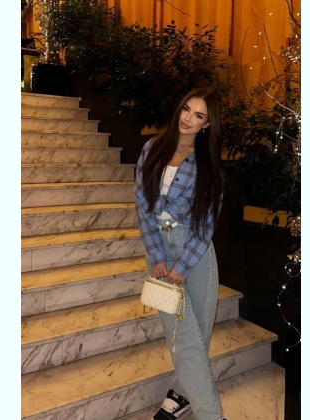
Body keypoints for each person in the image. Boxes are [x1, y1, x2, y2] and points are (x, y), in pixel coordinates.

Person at [134, 88, 228, 420]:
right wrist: (156, 255)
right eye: (186, 109)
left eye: (198, 115)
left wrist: (183, 266)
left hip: (195, 252)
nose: (188, 118)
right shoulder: (152, 148)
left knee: (195, 336)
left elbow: (206, 223)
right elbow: (142, 204)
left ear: (207, 124)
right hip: (160, 249)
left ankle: (180, 394)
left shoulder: (207, 163)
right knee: (183, 338)